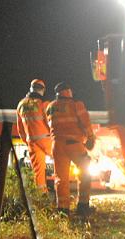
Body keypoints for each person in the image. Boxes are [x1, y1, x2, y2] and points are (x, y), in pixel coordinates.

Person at [45, 82, 96, 217]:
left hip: (57, 145)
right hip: (74, 144)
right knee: (85, 173)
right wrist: (90, 137)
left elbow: (48, 127)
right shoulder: (76, 104)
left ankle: (63, 210)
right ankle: (83, 206)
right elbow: (85, 122)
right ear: (68, 91)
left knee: (60, 178)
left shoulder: (50, 107)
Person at [16, 79, 54, 192]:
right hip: (47, 140)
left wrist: (27, 141)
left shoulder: (21, 104)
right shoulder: (43, 103)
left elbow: (20, 129)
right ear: (42, 90)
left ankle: (41, 200)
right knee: (61, 166)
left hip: (32, 142)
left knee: (38, 173)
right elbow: (50, 124)